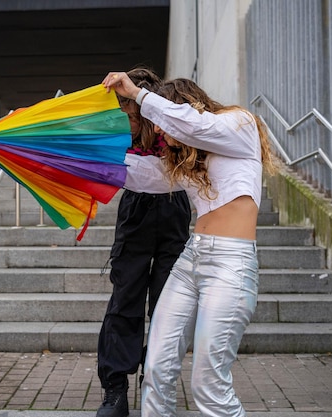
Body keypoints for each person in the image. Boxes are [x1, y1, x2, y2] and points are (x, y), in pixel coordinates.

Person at [102, 72, 277, 417]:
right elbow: (139, 175)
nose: (161, 135)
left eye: (163, 121)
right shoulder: (189, 163)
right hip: (191, 259)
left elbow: (195, 127)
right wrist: (65, 159)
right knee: (156, 371)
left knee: (208, 385)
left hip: (230, 265)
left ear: (182, 107)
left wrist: (139, 95)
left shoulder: (238, 124)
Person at [96, 68, 192, 417]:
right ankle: (115, 390)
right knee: (125, 300)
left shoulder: (166, 119)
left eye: (131, 116)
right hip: (135, 211)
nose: (127, 123)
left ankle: (156, 379)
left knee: (169, 303)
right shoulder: (116, 132)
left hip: (173, 209)